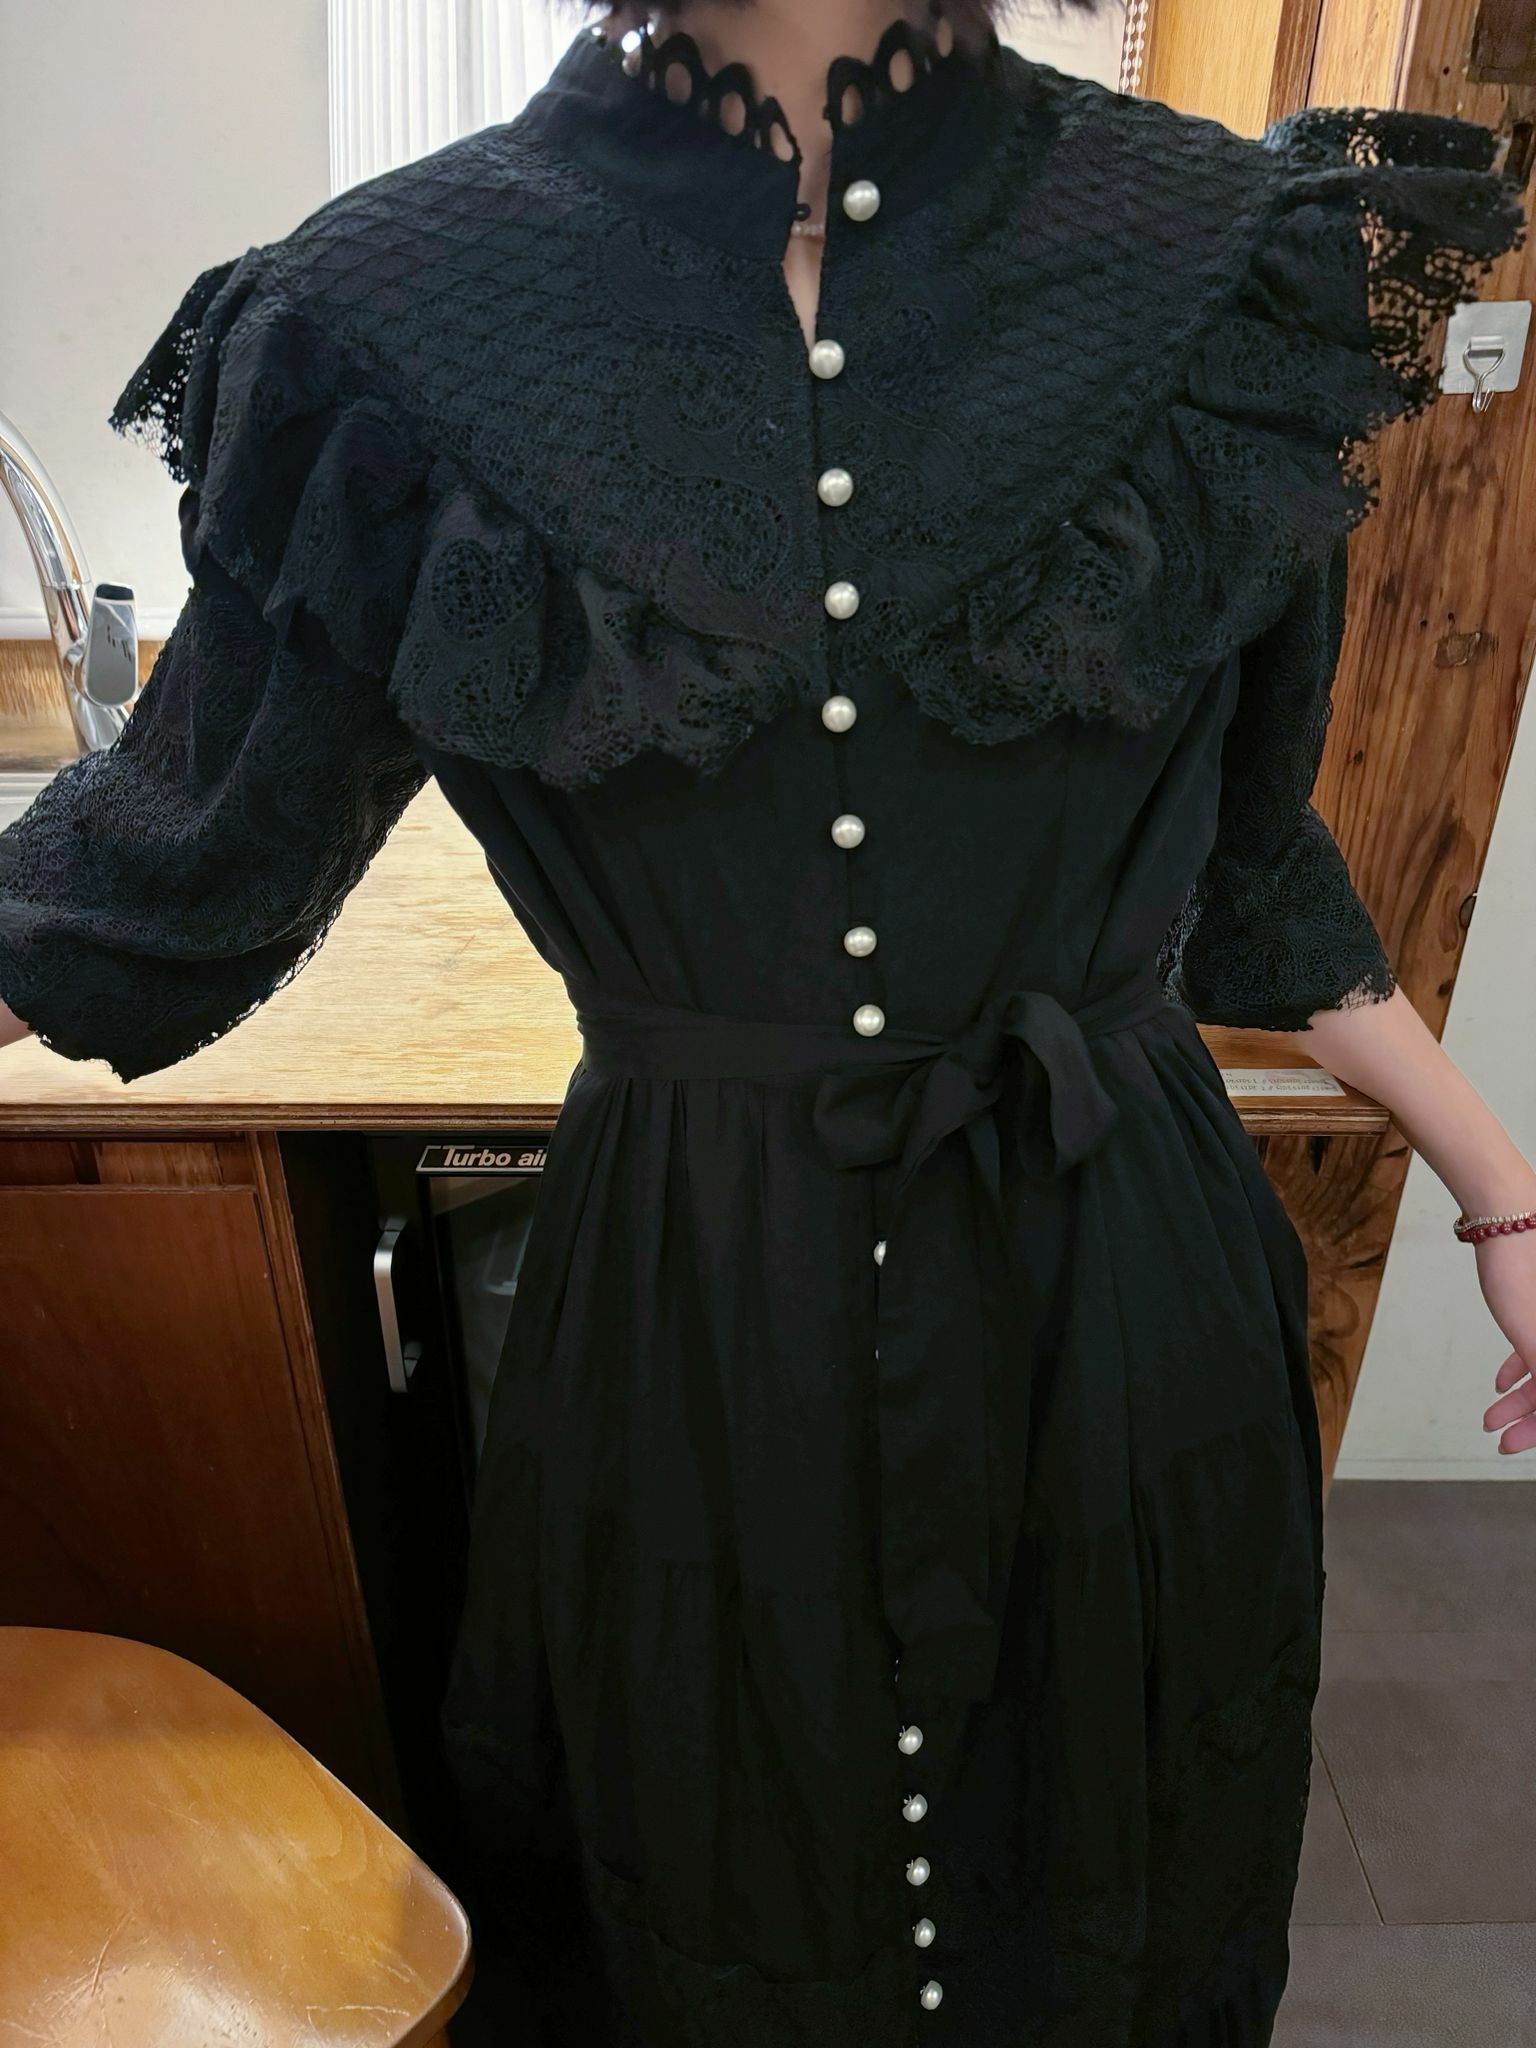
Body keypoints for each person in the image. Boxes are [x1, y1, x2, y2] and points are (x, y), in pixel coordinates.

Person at [0, 0, 1531, 2040]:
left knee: (1124, 1873)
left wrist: (1500, 1186)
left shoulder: (1224, 263)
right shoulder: (390, 323)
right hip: (702, 1314)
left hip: (1119, 1297)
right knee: (726, 1868)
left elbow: (1254, 873)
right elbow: (164, 876)